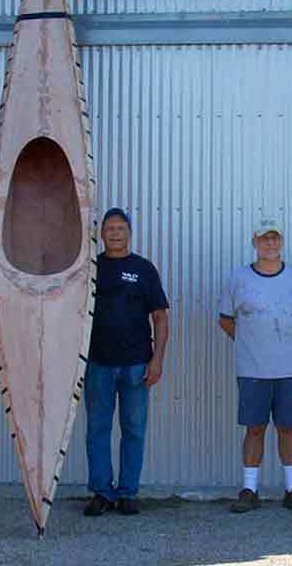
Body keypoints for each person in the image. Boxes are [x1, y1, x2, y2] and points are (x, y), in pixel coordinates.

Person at [218, 219, 292, 513]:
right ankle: (249, 490)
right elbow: (225, 318)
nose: (270, 244)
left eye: (275, 239)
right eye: (264, 239)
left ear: (282, 242)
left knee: (288, 428)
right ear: (255, 242)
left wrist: (285, 338)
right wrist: (250, 340)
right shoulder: (238, 279)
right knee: (255, 428)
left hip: (290, 369)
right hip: (252, 370)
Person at [82, 207, 170, 517]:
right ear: (101, 233)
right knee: (98, 429)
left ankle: (128, 492)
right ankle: (101, 493)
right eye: (109, 228)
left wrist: (156, 359)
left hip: (136, 365)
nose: (115, 233)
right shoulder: (89, 268)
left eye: (120, 228)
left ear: (129, 232)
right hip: (98, 364)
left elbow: (160, 316)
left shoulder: (143, 269)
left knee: (133, 429)